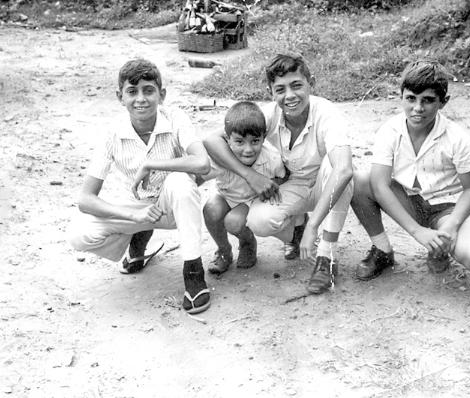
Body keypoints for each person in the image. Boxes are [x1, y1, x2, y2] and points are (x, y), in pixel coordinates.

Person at [68, 58, 212, 314]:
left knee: (180, 182)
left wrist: (153, 164)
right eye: (132, 92)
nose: (141, 99)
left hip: (173, 206)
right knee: (79, 234)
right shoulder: (112, 133)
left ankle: (193, 273)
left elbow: (202, 163)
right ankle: (137, 240)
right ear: (120, 97)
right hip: (138, 208)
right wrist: (134, 215)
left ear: (162, 94)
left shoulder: (175, 117)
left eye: (149, 90)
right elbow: (85, 199)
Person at [204, 54, 354, 295]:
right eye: (280, 89)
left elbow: (344, 169)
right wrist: (249, 175)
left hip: (325, 186)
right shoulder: (271, 114)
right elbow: (212, 140)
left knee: (341, 170)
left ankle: (327, 258)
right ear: (271, 92)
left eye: (297, 85)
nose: (290, 96)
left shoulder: (326, 113)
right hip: (293, 183)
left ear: (311, 83)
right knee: (258, 220)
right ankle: (296, 231)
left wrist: (314, 226)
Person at [351, 60, 470, 280]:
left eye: (427, 100)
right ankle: (382, 251)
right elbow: (379, 185)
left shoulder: (456, 137)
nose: (417, 108)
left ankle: (442, 246)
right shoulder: (390, 130)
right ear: (401, 97)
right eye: (411, 99)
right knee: (359, 180)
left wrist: (453, 226)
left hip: (446, 208)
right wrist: (418, 231)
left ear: (443, 102)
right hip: (408, 200)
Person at [200, 101, 286, 275]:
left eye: (255, 141)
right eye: (239, 142)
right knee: (211, 209)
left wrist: (270, 189)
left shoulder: (271, 158)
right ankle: (223, 250)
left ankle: (247, 242)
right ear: (227, 139)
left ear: (264, 137)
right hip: (226, 195)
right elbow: (199, 176)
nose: (248, 149)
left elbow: (283, 176)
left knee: (233, 221)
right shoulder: (221, 157)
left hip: (249, 200)